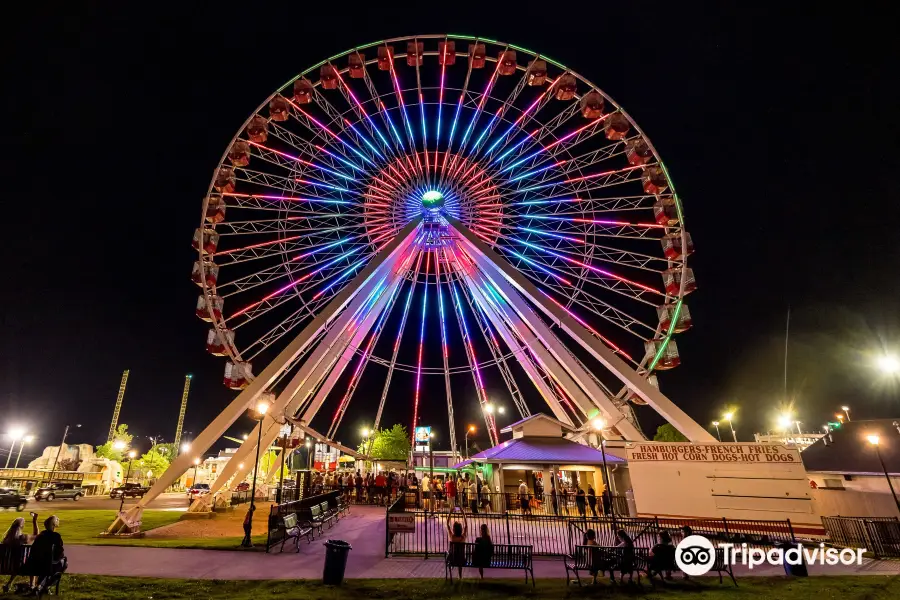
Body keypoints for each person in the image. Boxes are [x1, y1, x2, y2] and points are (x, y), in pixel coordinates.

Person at [24, 515, 66, 593]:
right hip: (47, 566)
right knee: (63, 564)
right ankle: (45, 586)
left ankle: (40, 586)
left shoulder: (40, 536)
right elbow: (60, 552)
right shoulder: (56, 536)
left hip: (35, 565)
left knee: (48, 565)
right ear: (53, 525)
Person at [2, 513, 38, 592]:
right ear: (21, 527)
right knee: (32, 561)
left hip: (5, 567)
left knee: (16, 561)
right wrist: (34, 520)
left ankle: (8, 584)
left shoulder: (5, 540)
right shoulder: (23, 538)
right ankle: (32, 585)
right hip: (20, 566)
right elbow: (36, 535)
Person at [446, 512, 468, 580]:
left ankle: (450, 575)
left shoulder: (452, 537)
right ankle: (460, 576)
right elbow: (466, 525)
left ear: (454, 529)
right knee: (460, 556)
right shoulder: (463, 537)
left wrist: (450, 512)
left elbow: (447, 525)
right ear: (461, 529)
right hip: (462, 560)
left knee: (448, 554)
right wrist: (463, 513)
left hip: (453, 560)